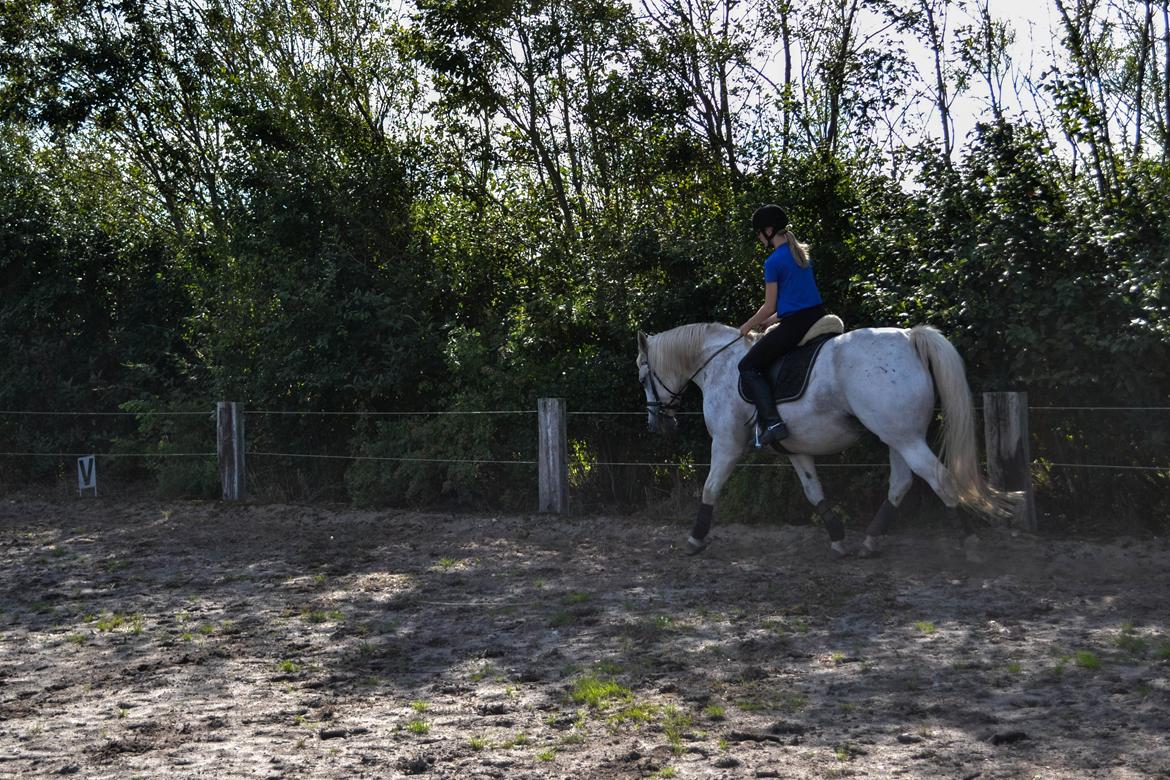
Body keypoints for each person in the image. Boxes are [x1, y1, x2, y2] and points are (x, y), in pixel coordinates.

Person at [738, 204, 826, 446]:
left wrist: (747, 326)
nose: (758, 237)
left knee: (748, 365)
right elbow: (798, 300)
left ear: (768, 230)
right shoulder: (801, 255)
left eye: (758, 232)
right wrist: (772, 320)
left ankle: (774, 423)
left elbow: (768, 305)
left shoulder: (773, 261)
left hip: (797, 324)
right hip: (816, 316)